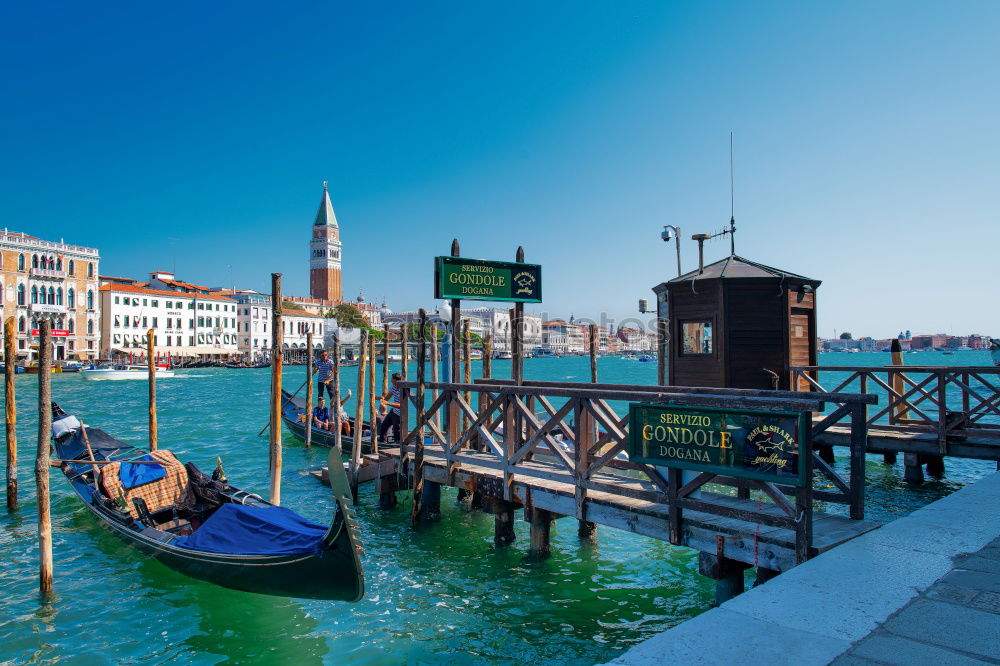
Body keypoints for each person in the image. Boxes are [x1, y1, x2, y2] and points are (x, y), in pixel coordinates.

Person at [377, 372, 402, 443]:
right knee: (383, 427)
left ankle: (397, 447)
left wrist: (388, 403)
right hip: (393, 412)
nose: (391, 381)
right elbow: (386, 398)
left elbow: (402, 406)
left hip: (400, 414)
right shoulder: (393, 387)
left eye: (392, 379)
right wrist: (378, 398)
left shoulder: (403, 391)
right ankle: (383, 443)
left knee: (397, 432)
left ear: (396, 380)